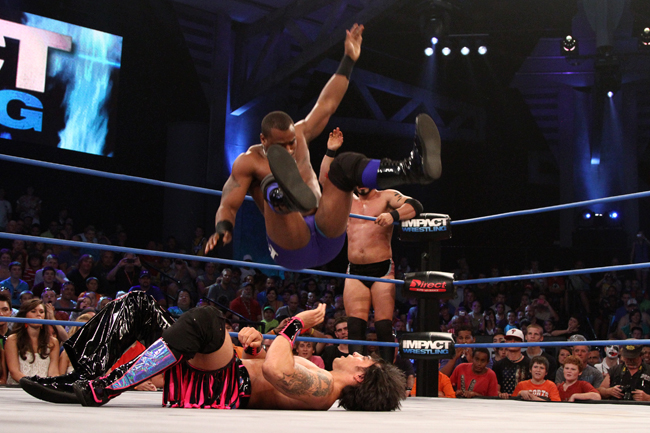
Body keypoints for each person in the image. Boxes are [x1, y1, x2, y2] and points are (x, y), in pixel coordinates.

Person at [204, 23, 442, 274]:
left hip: (326, 233)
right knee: (271, 183)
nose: (290, 149)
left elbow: (327, 104)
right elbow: (228, 204)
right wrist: (223, 228)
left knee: (343, 166)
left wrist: (348, 59)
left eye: (291, 142)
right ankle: (284, 198)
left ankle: (411, 168)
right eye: (281, 145)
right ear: (263, 140)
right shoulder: (248, 161)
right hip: (291, 247)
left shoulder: (301, 133)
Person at [20, 295, 406, 411]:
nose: (357, 355)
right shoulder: (320, 379)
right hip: (227, 368)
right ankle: (82, 375)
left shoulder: (325, 390)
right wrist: (251, 345)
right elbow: (269, 361)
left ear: (361, 376)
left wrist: (297, 323)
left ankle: (105, 387)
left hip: (226, 384)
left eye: (364, 359)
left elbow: (276, 371)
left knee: (206, 318)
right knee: (138, 305)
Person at [343, 181, 422, 364]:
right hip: (355, 270)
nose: (361, 184)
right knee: (354, 326)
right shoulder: (347, 200)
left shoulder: (387, 196)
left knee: (384, 326)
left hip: (382, 270)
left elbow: (415, 205)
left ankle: (387, 374)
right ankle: (357, 373)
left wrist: (392, 215)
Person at [5, 299, 60, 383]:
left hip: (43, 387)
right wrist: (32, 385)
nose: (38, 314)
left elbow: (53, 372)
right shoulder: (13, 340)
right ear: (25, 315)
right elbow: (14, 372)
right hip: (19, 386)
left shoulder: (53, 342)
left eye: (41, 312)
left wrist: (52, 384)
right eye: (33, 311)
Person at [493, 328, 531, 398]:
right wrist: (500, 394)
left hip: (524, 400)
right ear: (505, 342)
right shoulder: (498, 364)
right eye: (509, 339)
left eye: (516, 340)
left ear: (522, 343)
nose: (512, 342)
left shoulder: (529, 363)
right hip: (504, 400)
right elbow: (496, 388)